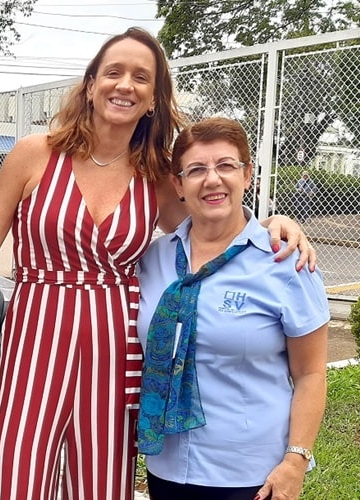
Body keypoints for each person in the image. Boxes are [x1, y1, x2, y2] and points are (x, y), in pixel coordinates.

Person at [0, 28, 313, 500]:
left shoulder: (155, 175)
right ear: (91, 85)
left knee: (101, 482)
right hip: (36, 336)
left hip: (115, 346)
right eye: (113, 72)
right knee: (21, 477)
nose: (125, 84)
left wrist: (275, 223)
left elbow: (215, 221)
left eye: (141, 77)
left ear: (153, 99)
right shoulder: (35, 154)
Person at [136, 117, 328, 500]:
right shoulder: (153, 259)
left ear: (247, 175)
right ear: (178, 184)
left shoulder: (287, 264)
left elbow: (310, 373)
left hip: (250, 475)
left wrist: (295, 461)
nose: (212, 180)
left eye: (226, 165)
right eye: (196, 170)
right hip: (167, 467)